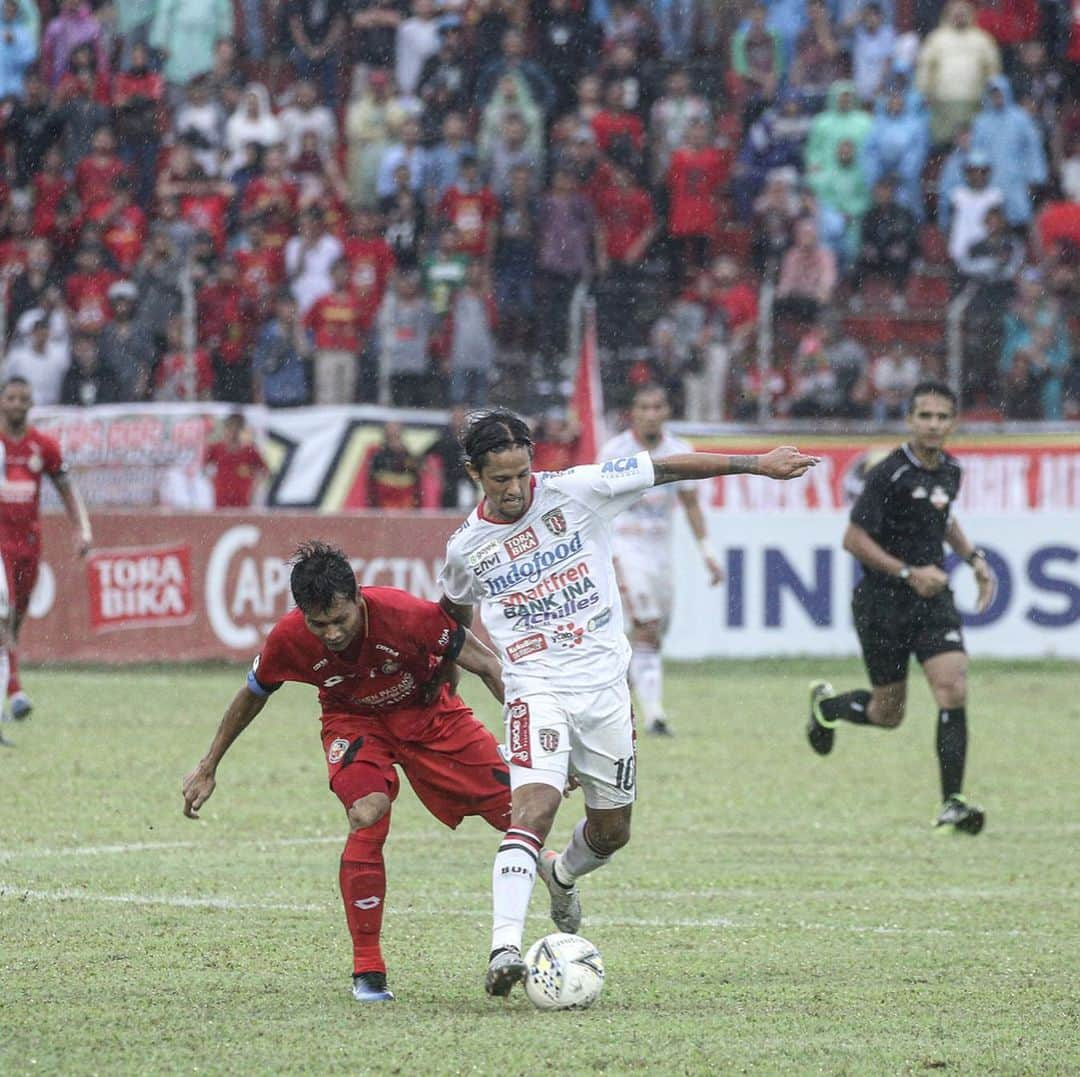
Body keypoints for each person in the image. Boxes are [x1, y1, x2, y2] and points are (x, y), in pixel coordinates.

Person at [437, 408, 817, 997]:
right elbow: (453, 620)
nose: (514, 490)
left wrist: (756, 465)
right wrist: (454, 679)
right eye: (499, 480)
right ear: (472, 474)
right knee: (532, 810)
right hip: (534, 688)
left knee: (612, 832)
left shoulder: (579, 490)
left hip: (606, 691)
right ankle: (504, 949)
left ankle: (562, 878)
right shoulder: (466, 548)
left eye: (520, 475)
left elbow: (665, 468)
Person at [182, 541, 511, 1003]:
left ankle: (559, 878)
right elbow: (253, 694)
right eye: (320, 624)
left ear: (358, 598)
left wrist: (533, 744)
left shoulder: (404, 613)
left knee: (520, 812)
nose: (332, 633)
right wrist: (208, 766)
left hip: (430, 714)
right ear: (303, 614)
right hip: (354, 722)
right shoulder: (289, 638)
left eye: (341, 619)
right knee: (367, 811)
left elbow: (487, 665)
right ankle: (368, 969)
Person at [805, 381, 995, 835]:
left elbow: (943, 518)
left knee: (952, 688)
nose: (933, 424)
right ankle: (828, 708)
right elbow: (853, 539)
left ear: (953, 422)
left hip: (933, 601)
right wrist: (909, 572)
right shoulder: (889, 473)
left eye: (941, 417)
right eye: (924, 416)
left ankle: (953, 802)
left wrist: (973, 559)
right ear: (910, 421)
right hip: (882, 603)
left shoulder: (951, 470)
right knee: (888, 713)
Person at [598, 385, 724, 736]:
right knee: (647, 627)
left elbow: (691, 503)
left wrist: (708, 552)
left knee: (653, 636)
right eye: (644, 407)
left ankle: (613, 703)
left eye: (658, 407)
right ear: (633, 413)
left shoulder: (679, 451)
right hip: (625, 547)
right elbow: (599, 501)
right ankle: (655, 716)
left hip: (660, 552)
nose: (651, 413)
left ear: (666, 411)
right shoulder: (615, 451)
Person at [0, 376, 93, 723]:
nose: (18, 404)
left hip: (28, 544)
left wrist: (82, 527)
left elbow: (67, 489)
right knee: (3, 614)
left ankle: (8, 685)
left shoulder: (43, 446)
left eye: (24, 398)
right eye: (11, 397)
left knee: (15, 619)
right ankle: (15, 691)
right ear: (1, 401)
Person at [203, 412, 267, 508]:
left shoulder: (249, 450)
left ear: (241, 431)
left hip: (242, 499)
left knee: (242, 522)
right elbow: (203, 467)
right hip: (221, 498)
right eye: (230, 429)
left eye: (236, 429)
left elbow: (264, 471)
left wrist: (254, 487)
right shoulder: (216, 448)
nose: (233, 433)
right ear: (225, 429)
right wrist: (212, 482)